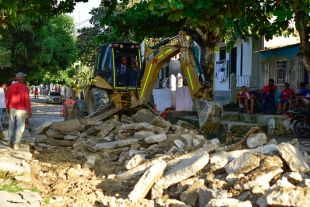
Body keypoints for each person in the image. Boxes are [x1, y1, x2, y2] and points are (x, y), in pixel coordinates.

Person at [6, 72, 32, 149]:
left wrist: (7, 108)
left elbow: (7, 98)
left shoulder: (11, 86)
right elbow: (27, 100)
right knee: (20, 127)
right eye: (24, 77)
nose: (24, 79)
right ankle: (16, 143)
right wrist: (29, 111)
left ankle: (10, 142)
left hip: (12, 108)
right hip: (21, 110)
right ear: (22, 78)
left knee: (11, 125)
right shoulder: (25, 87)